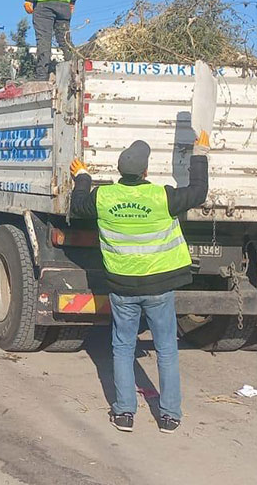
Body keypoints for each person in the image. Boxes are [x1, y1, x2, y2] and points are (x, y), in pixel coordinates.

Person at [67, 132, 209, 434]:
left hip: (122, 287)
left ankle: (124, 413)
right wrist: (199, 153)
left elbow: (78, 204)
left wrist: (82, 177)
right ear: (145, 171)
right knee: (167, 348)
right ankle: (169, 416)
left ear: (120, 171)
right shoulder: (162, 196)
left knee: (122, 346)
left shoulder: (103, 197)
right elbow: (198, 192)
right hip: (159, 286)